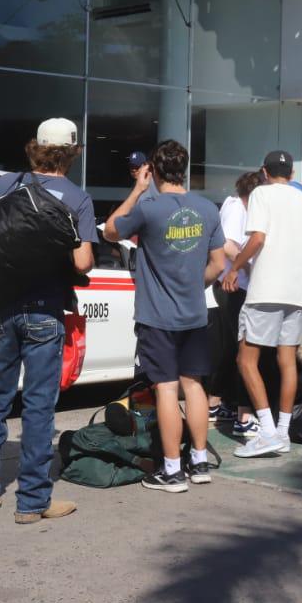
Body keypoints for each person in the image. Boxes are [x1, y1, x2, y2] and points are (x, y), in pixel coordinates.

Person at [0, 117, 95, 524]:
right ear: (71, 153)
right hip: (44, 309)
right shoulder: (77, 198)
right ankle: (33, 502)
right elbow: (83, 260)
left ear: (36, 147)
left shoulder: (6, 184)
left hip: (1, 309)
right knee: (38, 407)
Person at [105, 141, 225, 493]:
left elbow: (111, 230)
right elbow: (218, 263)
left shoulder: (149, 207)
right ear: (184, 169)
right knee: (195, 386)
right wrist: (192, 284)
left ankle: (172, 471)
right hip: (195, 313)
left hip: (158, 316)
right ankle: (199, 462)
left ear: (153, 170)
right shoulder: (207, 209)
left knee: (167, 389)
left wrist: (137, 189)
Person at [223, 150, 302, 458]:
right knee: (286, 360)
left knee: (245, 360)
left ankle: (265, 431)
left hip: (266, 290)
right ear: (291, 173)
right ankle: (282, 432)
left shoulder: (262, 194)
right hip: (297, 291)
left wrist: (236, 267)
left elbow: (258, 239)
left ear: (265, 172)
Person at [208, 171, 264, 438]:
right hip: (234, 286)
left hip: (233, 285)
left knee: (232, 347)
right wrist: (250, 264)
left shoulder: (236, 205)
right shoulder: (237, 208)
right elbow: (227, 245)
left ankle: (217, 402)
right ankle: (244, 413)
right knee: (245, 349)